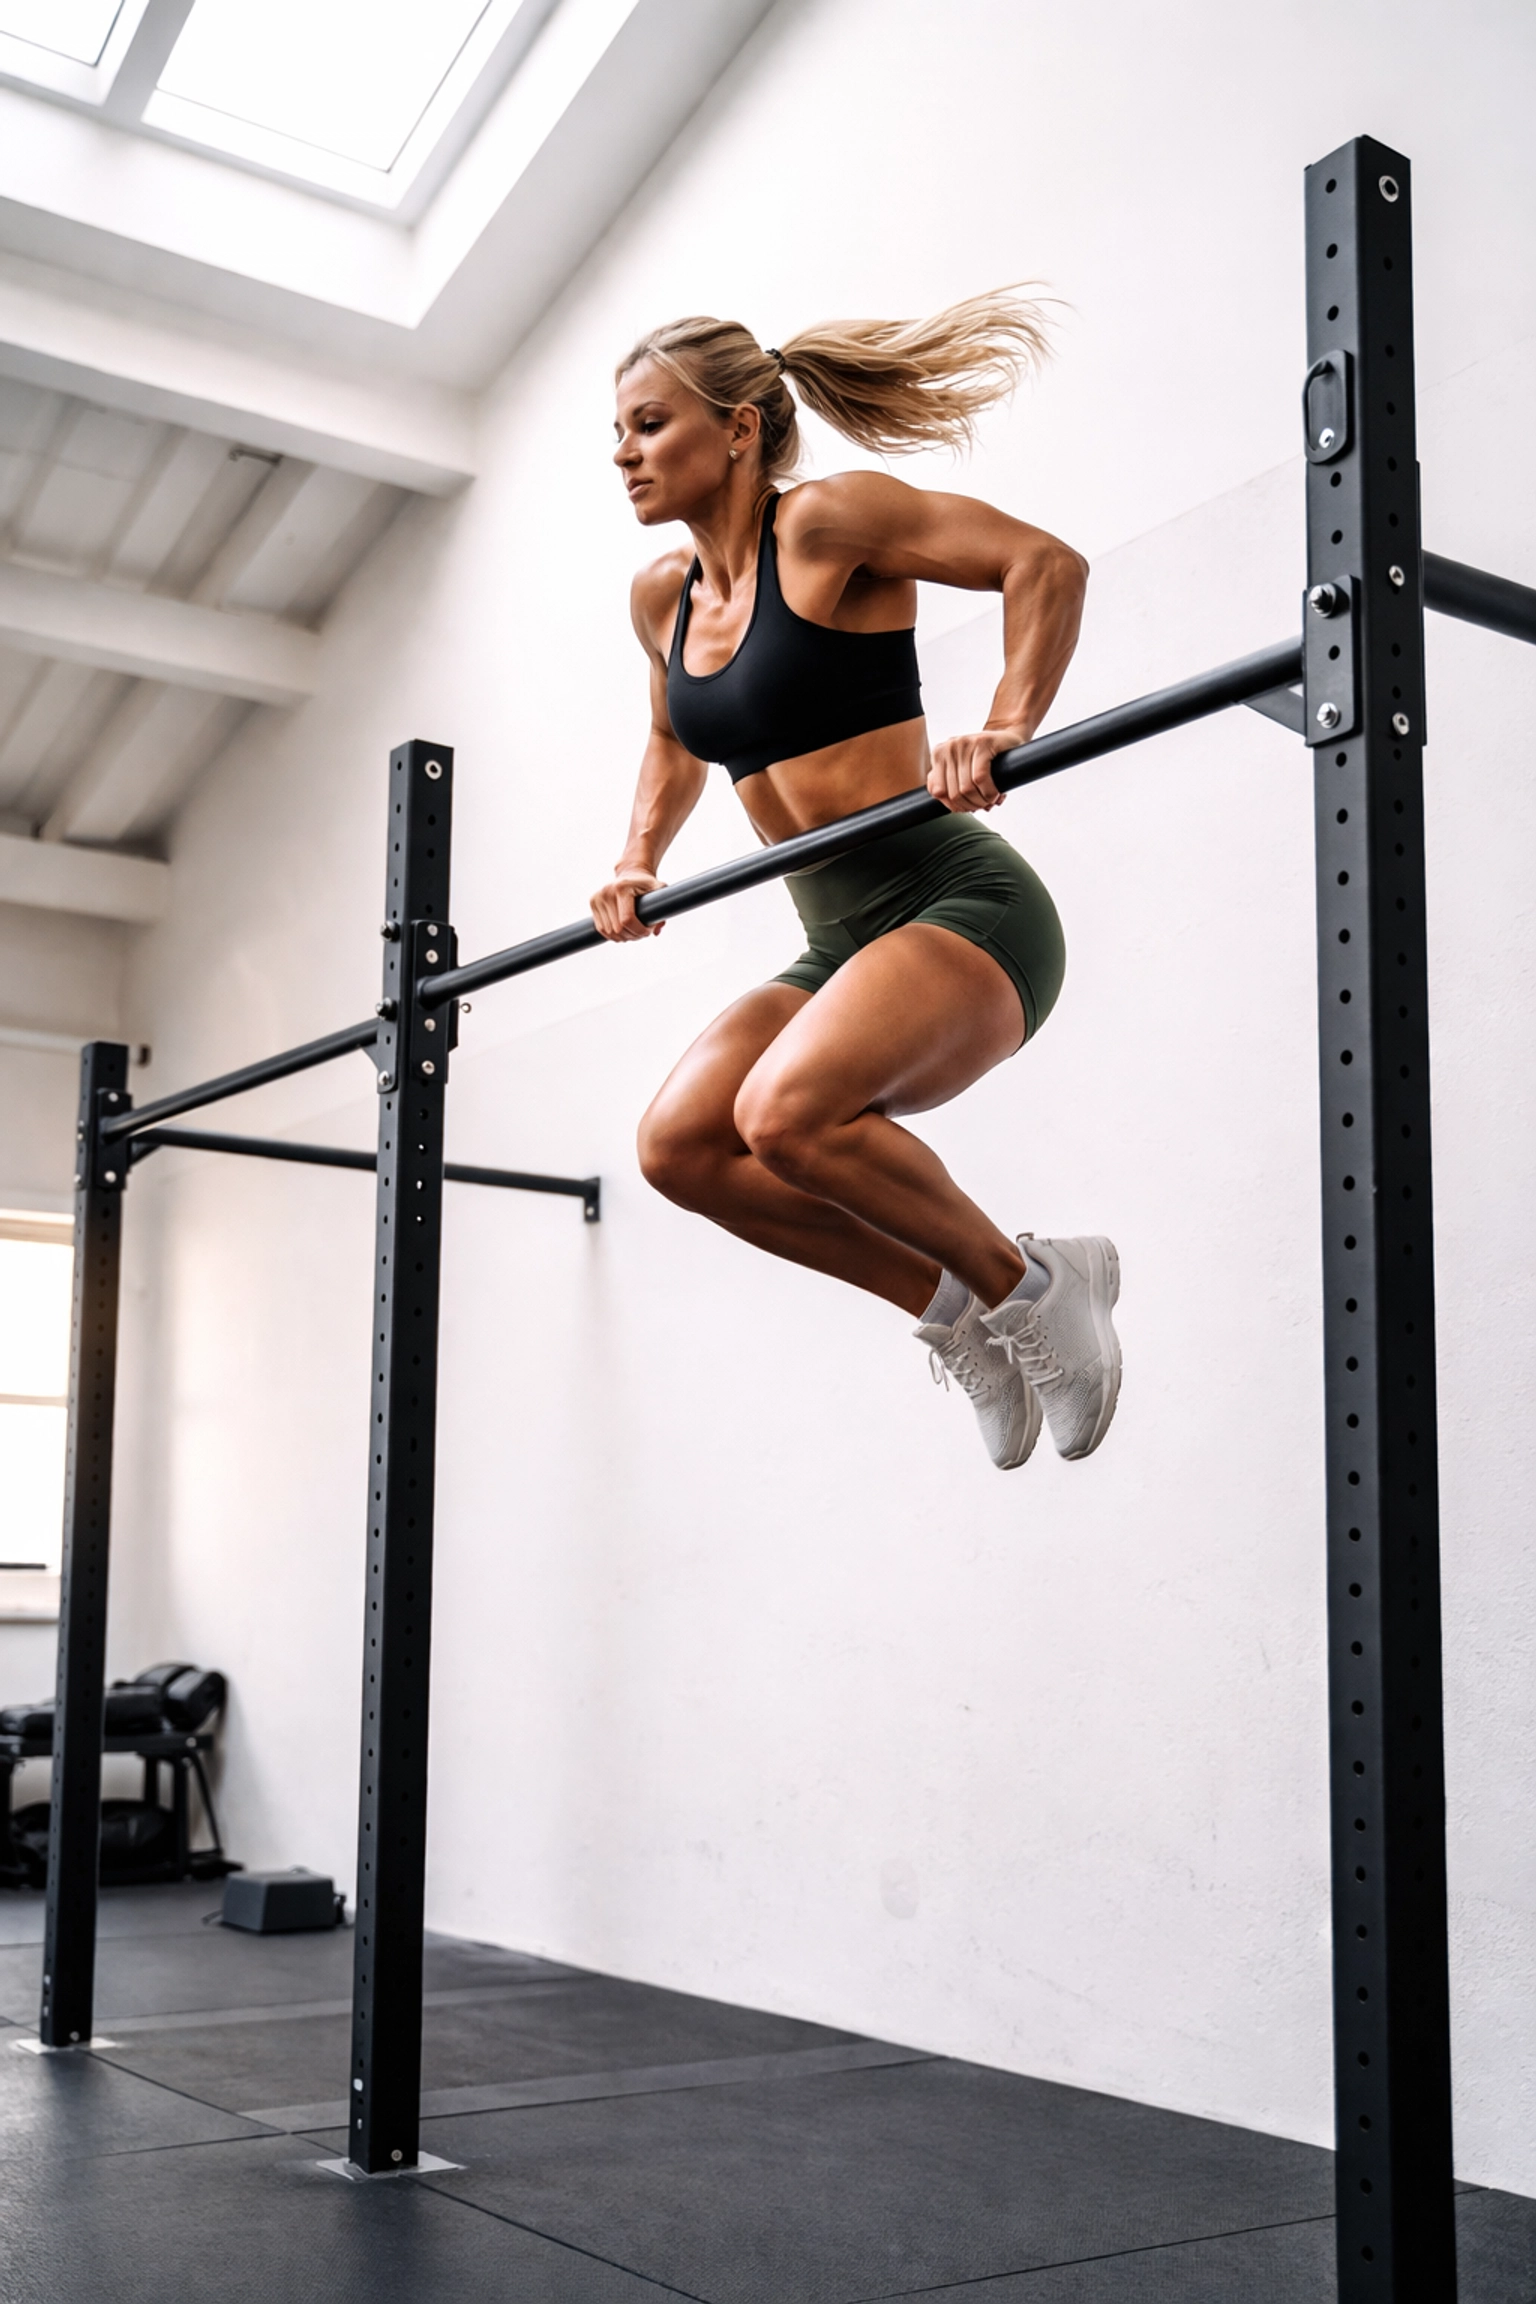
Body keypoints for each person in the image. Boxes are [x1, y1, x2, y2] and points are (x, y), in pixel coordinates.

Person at [591, 295, 1121, 1470]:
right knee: (681, 1146)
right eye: (617, 432)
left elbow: (1043, 563)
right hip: (836, 940)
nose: (623, 453)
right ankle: (957, 1314)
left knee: (782, 1115)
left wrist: (1005, 725)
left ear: (738, 429)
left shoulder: (829, 524)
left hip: (959, 906)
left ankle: (1038, 1290)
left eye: (649, 424)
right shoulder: (661, 596)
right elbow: (675, 740)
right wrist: (637, 859)